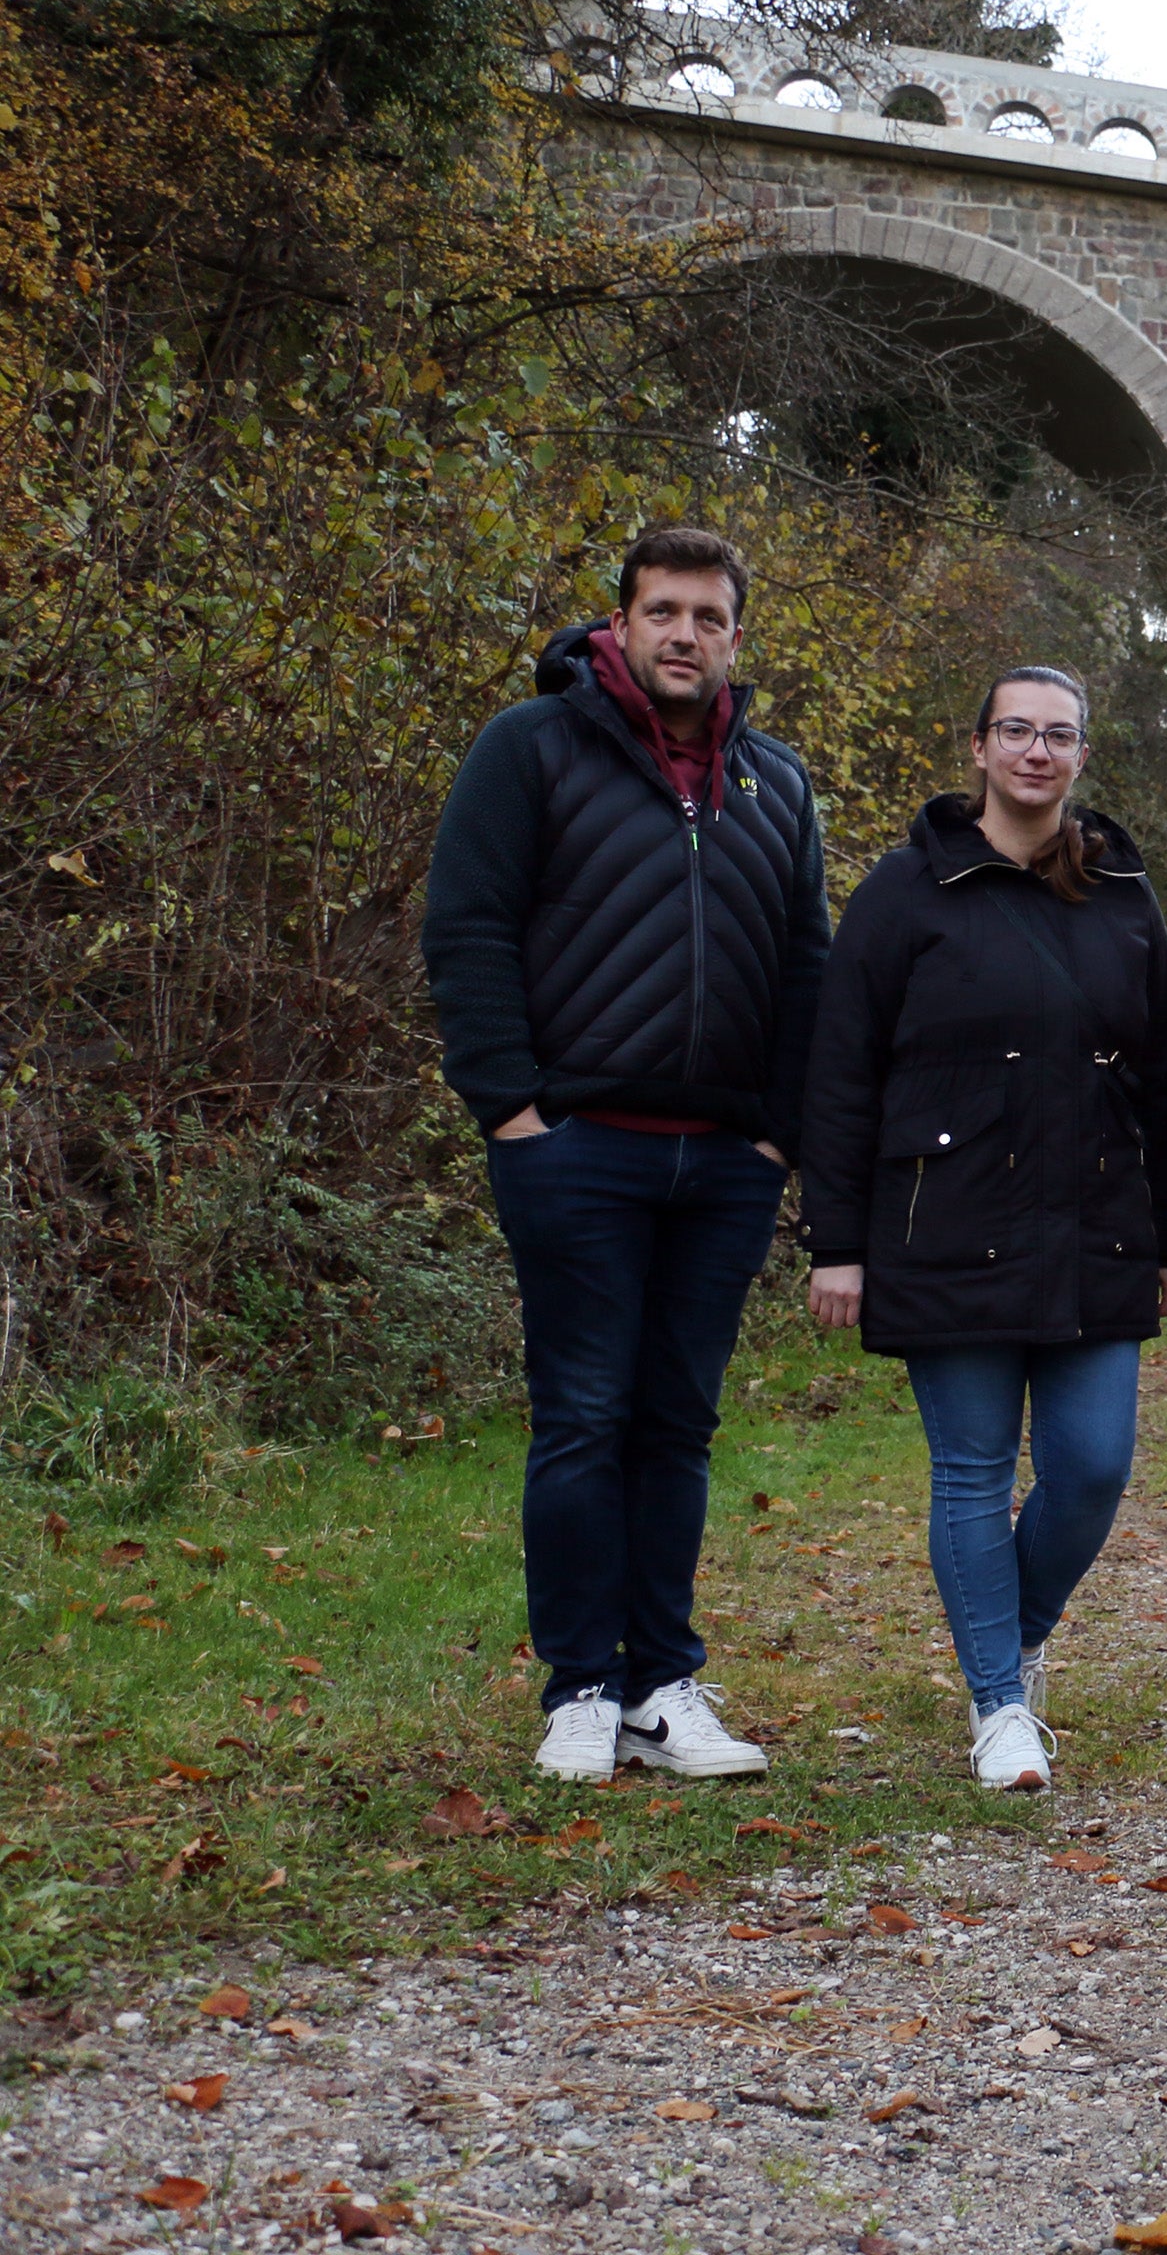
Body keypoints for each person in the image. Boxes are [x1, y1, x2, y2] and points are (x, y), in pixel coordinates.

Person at [421, 525, 825, 1785]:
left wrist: (775, 1133)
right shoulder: (532, 748)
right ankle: (581, 1687)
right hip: (577, 1145)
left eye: (708, 617)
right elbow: (468, 927)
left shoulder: (776, 782)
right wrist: (512, 1116)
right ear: (622, 622)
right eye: (663, 612)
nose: (684, 635)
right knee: (585, 1417)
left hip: (723, 1165)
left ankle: (662, 1683)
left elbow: (808, 967)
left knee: (678, 1425)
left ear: (735, 638)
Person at [796, 667, 1167, 1792]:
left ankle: (1005, 1637)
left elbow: (1164, 1074)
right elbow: (840, 1073)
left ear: (1080, 754)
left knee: (1093, 1467)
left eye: (1058, 735)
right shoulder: (905, 891)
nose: (1036, 751)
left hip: (1096, 1229)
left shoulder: (1118, 889)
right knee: (971, 1474)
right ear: (977, 748)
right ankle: (1001, 1706)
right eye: (1015, 731)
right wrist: (837, 1242)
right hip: (945, 1228)